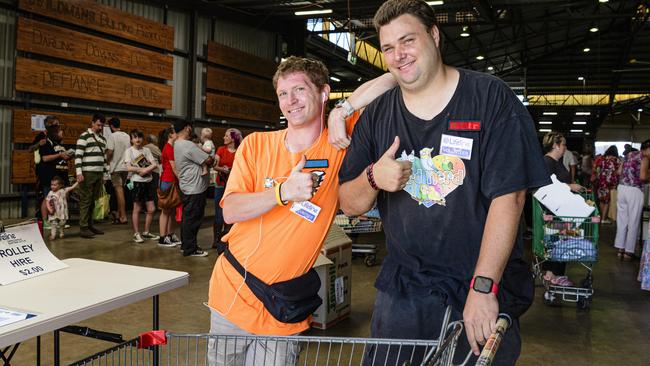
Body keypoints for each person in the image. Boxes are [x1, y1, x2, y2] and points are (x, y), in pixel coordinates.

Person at [337, 1, 549, 364]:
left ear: (434, 35)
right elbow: (348, 202)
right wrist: (374, 177)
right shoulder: (378, 115)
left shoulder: (489, 97)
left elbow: (510, 197)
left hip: (479, 286)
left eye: (408, 40)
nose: (398, 55)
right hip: (404, 292)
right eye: (388, 47)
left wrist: (484, 288)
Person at [205, 56, 393, 366]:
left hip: (283, 306)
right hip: (233, 293)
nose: (290, 101)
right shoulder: (256, 145)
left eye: (299, 89)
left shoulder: (340, 141)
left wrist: (343, 111)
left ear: (322, 93)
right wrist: (283, 192)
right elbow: (231, 211)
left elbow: (392, 80)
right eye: (282, 93)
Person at [540, 132, 584, 286]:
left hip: (560, 210)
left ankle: (553, 273)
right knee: (559, 241)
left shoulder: (556, 162)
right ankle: (554, 274)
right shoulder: (547, 162)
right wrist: (570, 186)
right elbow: (546, 187)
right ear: (555, 145)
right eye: (563, 144)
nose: (565, 147)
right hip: (553, 211)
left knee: (561, 240)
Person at [173, 120, 213, 257]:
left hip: (188, 185)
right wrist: (212, 159)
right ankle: (191, 248)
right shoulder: (188, 145)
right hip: (195, 188)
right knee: (193, 219)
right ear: (187, 128)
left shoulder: (177, 144)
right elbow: (207, 160)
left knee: (188, 217)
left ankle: (186, 245)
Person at [75, 113, 109, 238]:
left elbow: (104, 158)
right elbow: (78, 156)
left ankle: (90, 225)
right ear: (92, 123)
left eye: (102, 125)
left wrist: (106, 174)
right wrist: (79, 172)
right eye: (98, 125)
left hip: (99, 173)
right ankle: (83, 227)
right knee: (85, 200)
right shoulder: (84, 137)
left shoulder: (103, 139)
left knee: (93, 201)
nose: (100, 127)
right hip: (87, 173)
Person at [615, 140, 650, 261]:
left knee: (622, 220)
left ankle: (620, 248)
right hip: (634, 190)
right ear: (647, 149)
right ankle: (629, 251)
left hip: (622, 188)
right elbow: (643, 177)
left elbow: (619, 172)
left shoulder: (628, 155)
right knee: (633, 221)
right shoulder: (644, 158)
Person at [123, 129, 160, 243]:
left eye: (139, 137)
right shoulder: (129, 151)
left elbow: (155, 164)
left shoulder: (147, 150)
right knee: (137, 208)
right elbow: (128, 167)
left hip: (148, 181)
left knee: (152, 208)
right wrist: (141, 170)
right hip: (137, 182)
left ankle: (146, 232)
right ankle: (136, 233)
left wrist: (145, 170)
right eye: (134, 137)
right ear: (131, 139)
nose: (137, 139)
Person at [212, 128, 242, 254]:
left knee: (231, 213)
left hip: (234, 186)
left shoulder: (240, 151)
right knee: (219, 213)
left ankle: (228, 238)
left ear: (233, 139)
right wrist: (223, 170)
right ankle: (216, 239)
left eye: (226, 136)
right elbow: (214, 165)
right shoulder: (221, 149)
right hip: (221, 184)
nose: (224, 138)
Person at [157, 127, 182, 247]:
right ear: (170, 135)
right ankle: (162, 238)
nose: (177, 134)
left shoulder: (170, 147)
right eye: (175, 132)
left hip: (170, 181)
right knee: (166, 211)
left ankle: (170, 234)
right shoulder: (168, 148)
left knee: (171, 211)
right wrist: (182, 180)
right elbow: (174, 167)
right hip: (168, 181)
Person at [106, 117, 131, 225]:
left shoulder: (112, 136)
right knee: (121, 191)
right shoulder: (126, 136)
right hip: (125, 167)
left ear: (111, 126)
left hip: (116, 167)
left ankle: (123, 216)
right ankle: (119, 214)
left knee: (119, 191)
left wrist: (107, 161)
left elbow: (110, 152)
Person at [591, 145, 621, 224]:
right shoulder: (616, 160)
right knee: (607, 201)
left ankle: (602, 217)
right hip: (610, 183)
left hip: (601, 182)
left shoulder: (601, 159)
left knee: (601, 200)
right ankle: (604, 219)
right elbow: (618, 172)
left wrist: (599, 174)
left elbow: (594, 168)